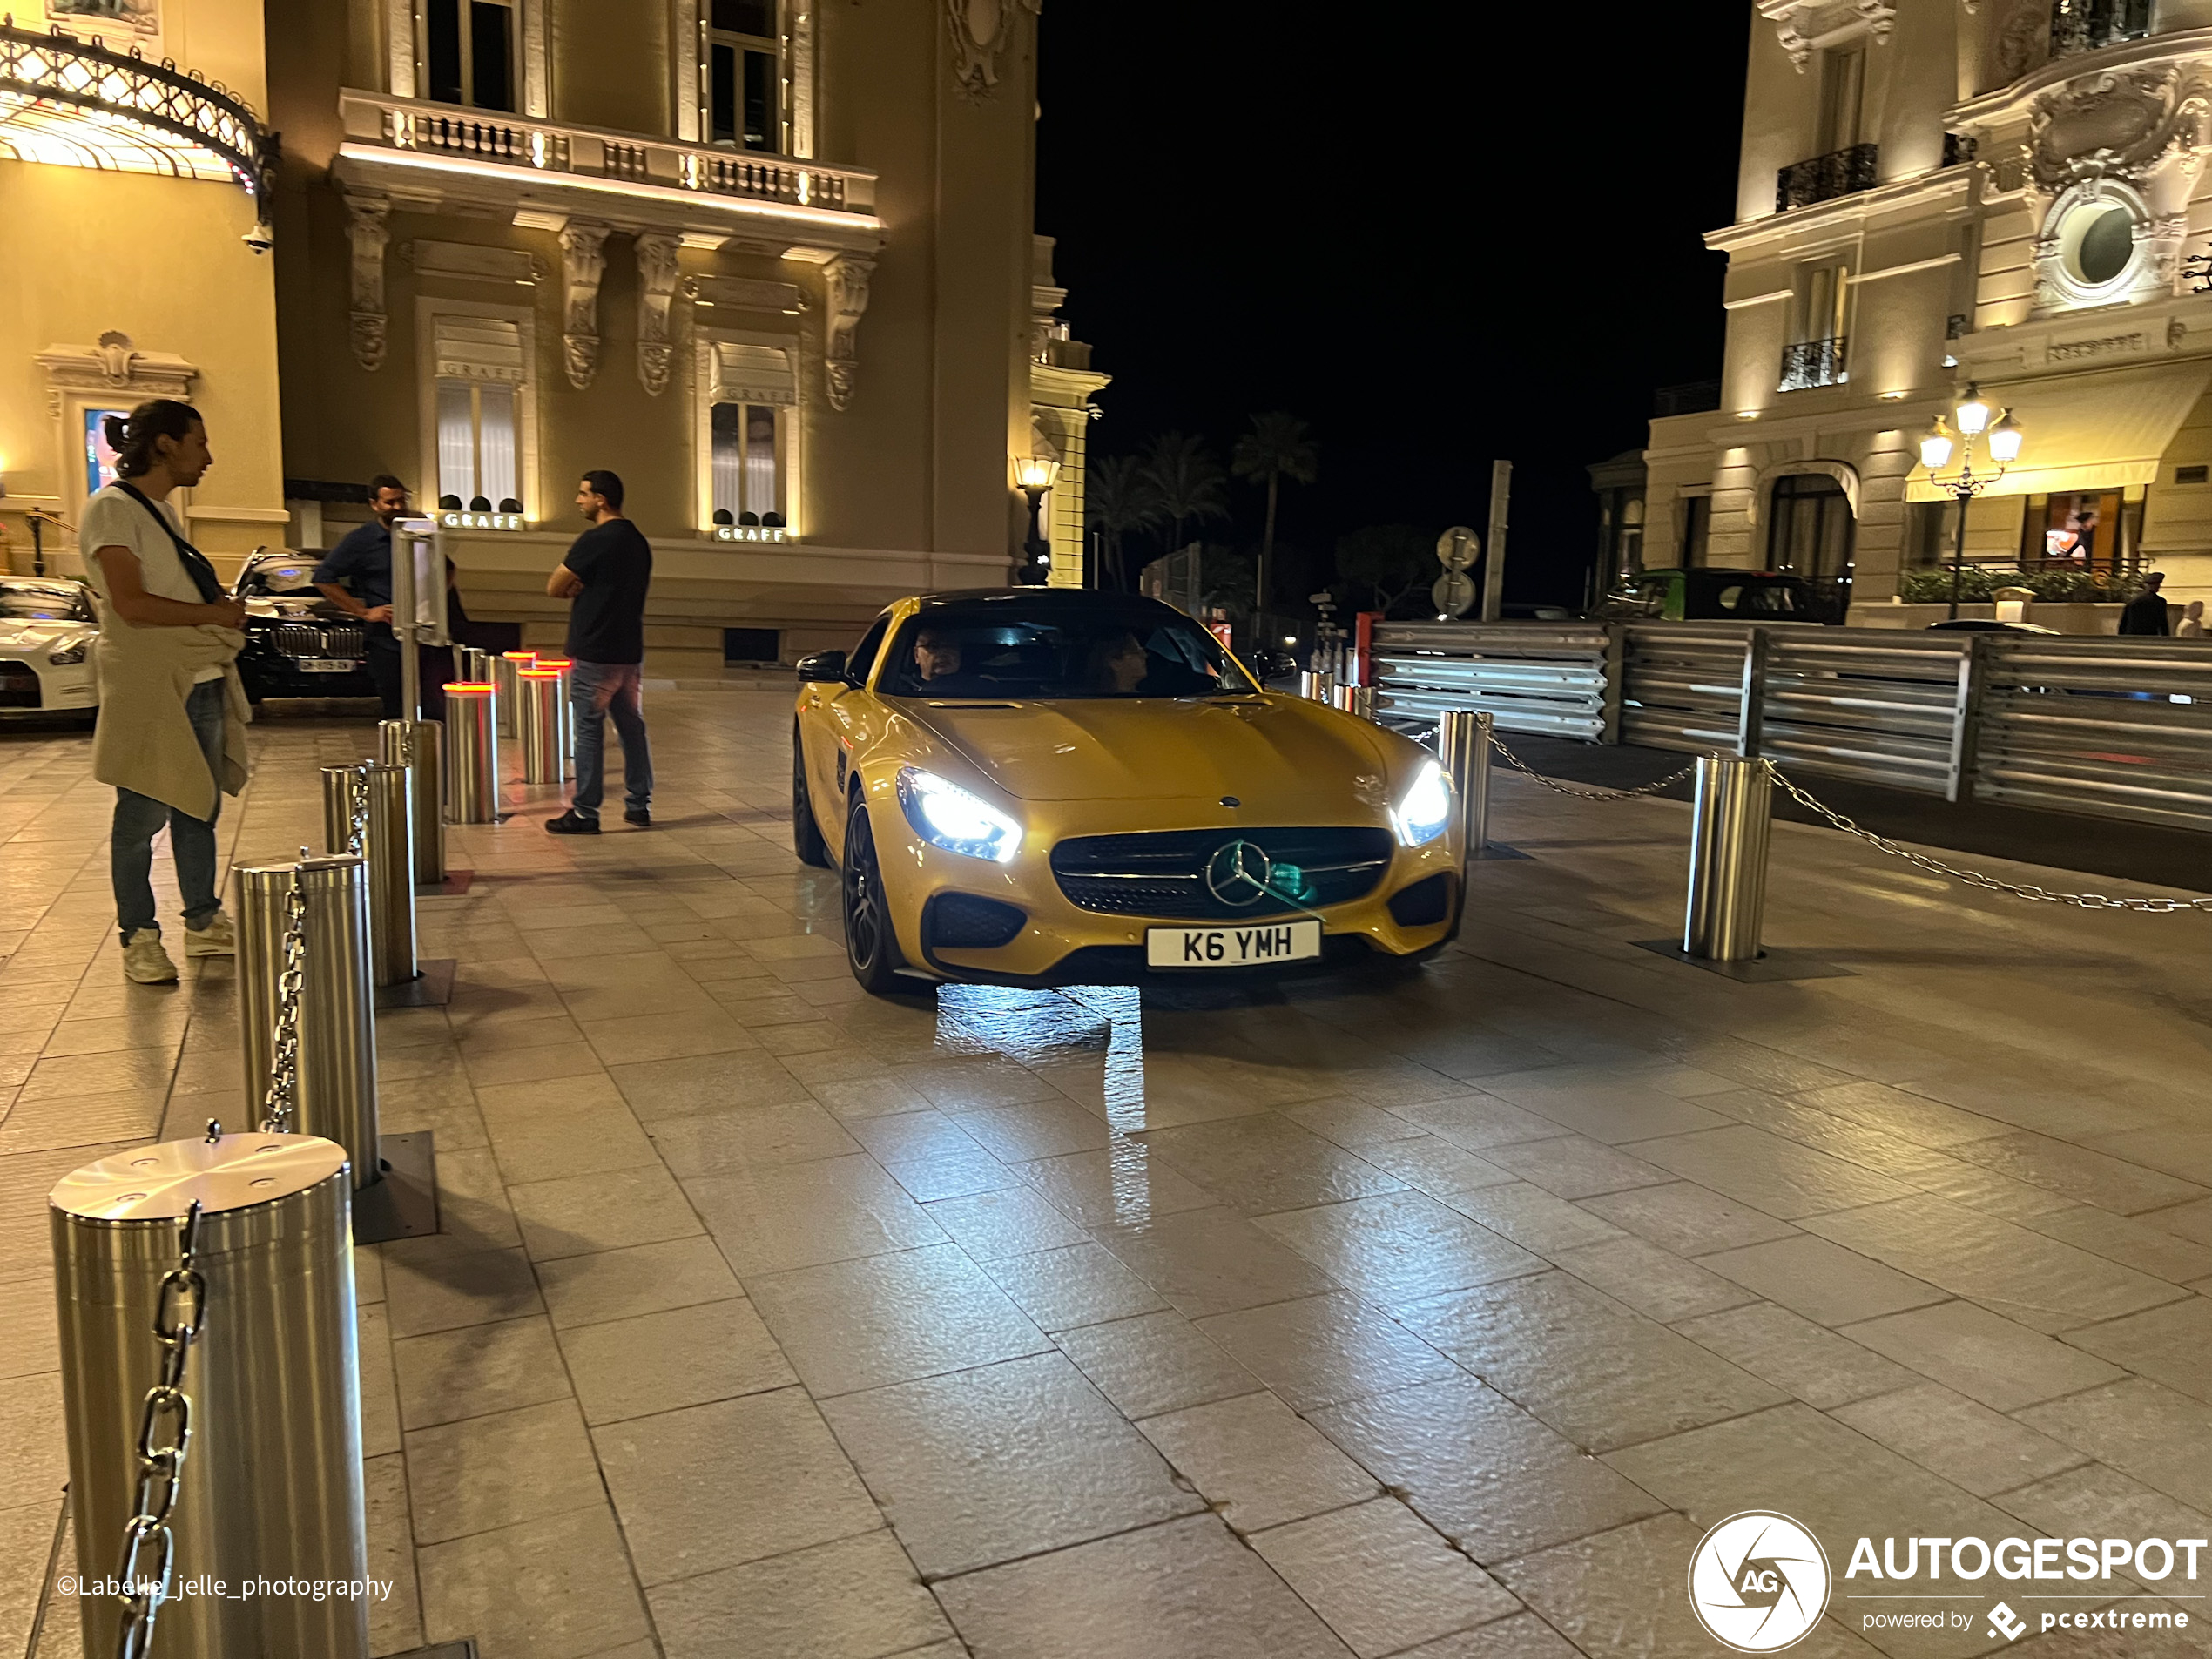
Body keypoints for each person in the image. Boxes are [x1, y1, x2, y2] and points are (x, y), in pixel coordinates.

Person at [79, 401, 250, 982]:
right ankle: (139, 936)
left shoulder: (160, 513)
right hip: (152, 683)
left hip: (195, 676)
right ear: (164, 444)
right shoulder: (111, 509)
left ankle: (202, 920)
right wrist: (212, 613)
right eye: (198, 442)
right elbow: (131, 604)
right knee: (143, 811)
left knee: (197, 803)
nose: (208, 456)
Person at [544, 471, 653, 833]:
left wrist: (575, 586)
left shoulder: (596, 540)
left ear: (601, 499)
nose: (578, 501)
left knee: (589, 731)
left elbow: (554, 586)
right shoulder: (638, 542)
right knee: (631, 728)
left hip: (594, 651)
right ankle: (639, 805)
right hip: (628, 653)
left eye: (583, 494)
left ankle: (585, 812)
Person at [313, 475, 453, 719]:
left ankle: (435, 756)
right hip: (387, 640)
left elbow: (448, 569)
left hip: (426, 637)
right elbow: (323, 577)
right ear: (374, 504)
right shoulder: (362, 540)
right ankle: (401, 756)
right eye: (390, 502)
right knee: (396, 708)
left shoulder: (420, 531)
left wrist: (434, 601)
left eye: (401, 500)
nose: (397, 507)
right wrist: (364, 612)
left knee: (435, 707)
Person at [2118, 570, 2171, 636]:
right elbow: (2163, 623)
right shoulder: (2160, 602)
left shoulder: (2133, 601)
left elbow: (2123, 623)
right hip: (2150, 636)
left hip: (2132, 635)